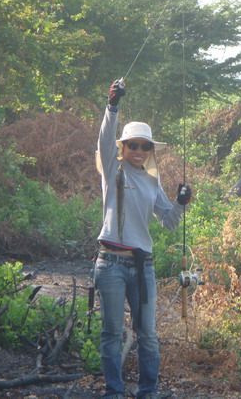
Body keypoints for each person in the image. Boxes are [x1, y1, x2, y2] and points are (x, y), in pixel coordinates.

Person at [93, 78, 192, 399]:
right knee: (111, 334)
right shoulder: (113, 170)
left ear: (151, 150)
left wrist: (180, 201)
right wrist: (112, 105)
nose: (138, 150)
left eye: (144, 146)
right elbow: (105, 138)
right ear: (123, 148)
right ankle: (114, 392)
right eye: (132, 145)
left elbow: (168, 221)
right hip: (110, 264)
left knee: (147, 334)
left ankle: (147, 392)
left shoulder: (152, 181)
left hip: (143, 266)